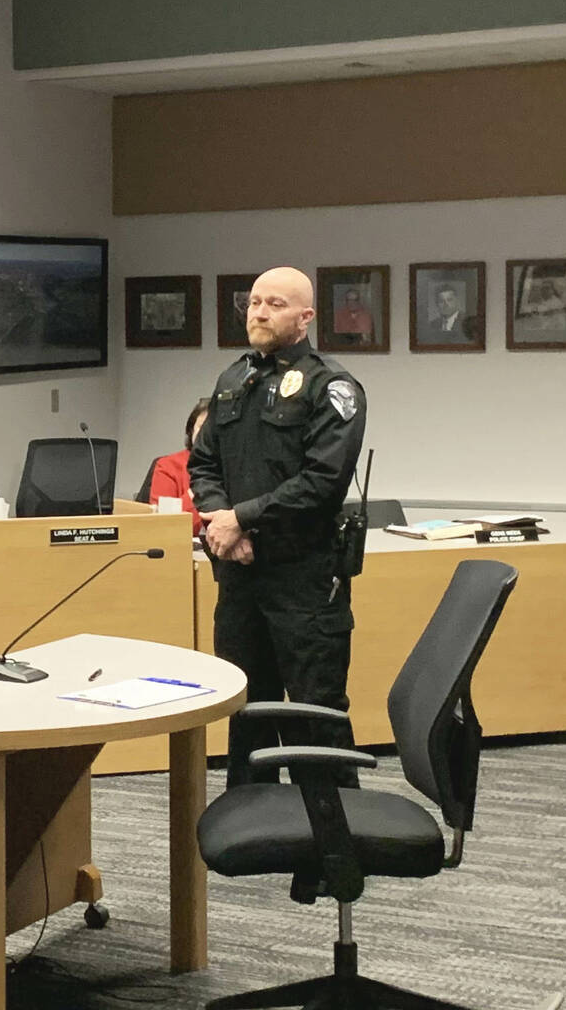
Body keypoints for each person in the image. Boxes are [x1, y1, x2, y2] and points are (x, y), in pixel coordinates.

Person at [190, 267, 368, 789]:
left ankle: (333, 855)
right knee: (248, 711)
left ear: (305, 317)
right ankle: (252, 831)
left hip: (305, 580)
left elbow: (322, 483)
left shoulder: (331, 387)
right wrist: (228, 526)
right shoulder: (233, 380)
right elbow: (203, 465)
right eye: (254, 303)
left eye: (275, 304)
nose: (259, 312)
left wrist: (240, 519)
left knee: (316, 716)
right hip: (241, 578)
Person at [145, 398, 210, 536]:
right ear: (191, 430)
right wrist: (200, 488)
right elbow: (164, 526)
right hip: (183, 548)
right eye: (202, 427)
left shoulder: (239, 469)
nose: (207, 435)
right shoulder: (168, 466)